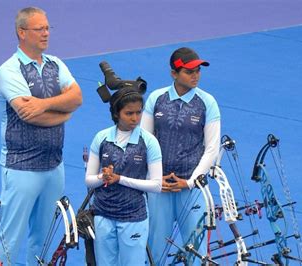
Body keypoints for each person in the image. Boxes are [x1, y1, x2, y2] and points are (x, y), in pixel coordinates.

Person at [0, 6, 82, 265]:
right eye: (39, 28)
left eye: (47, 28)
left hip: (54, 167)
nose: (45, 33)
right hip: (21, 168)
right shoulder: (9, 70)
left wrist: (42, 104)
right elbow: (28, 115)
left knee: (43, 239)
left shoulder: (56, 64)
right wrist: (62, 112)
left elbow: (76, 97)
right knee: (9, 240)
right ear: (22, 32)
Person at [141, 47, 221, 265]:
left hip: (192, 189)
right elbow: (145, 142)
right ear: (174, 73)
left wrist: (191, 182)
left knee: (195, 252)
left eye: (198, 70)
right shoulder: (156, 98)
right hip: (160, 188)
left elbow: (212, 148)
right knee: (155, 250)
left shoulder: (208, 103)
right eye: (189, 71)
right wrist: (156, 179)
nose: (196, 75)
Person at [85, 85, 163, 265]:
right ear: (116, 113)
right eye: (129, 113)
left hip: (133, 217)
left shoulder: (149, 142)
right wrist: (102, 177)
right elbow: (89, 180)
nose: (135, 118)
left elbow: (156, 185)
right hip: (103, 215)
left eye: (138, 112)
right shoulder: (101, 138)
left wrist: (120, 179)